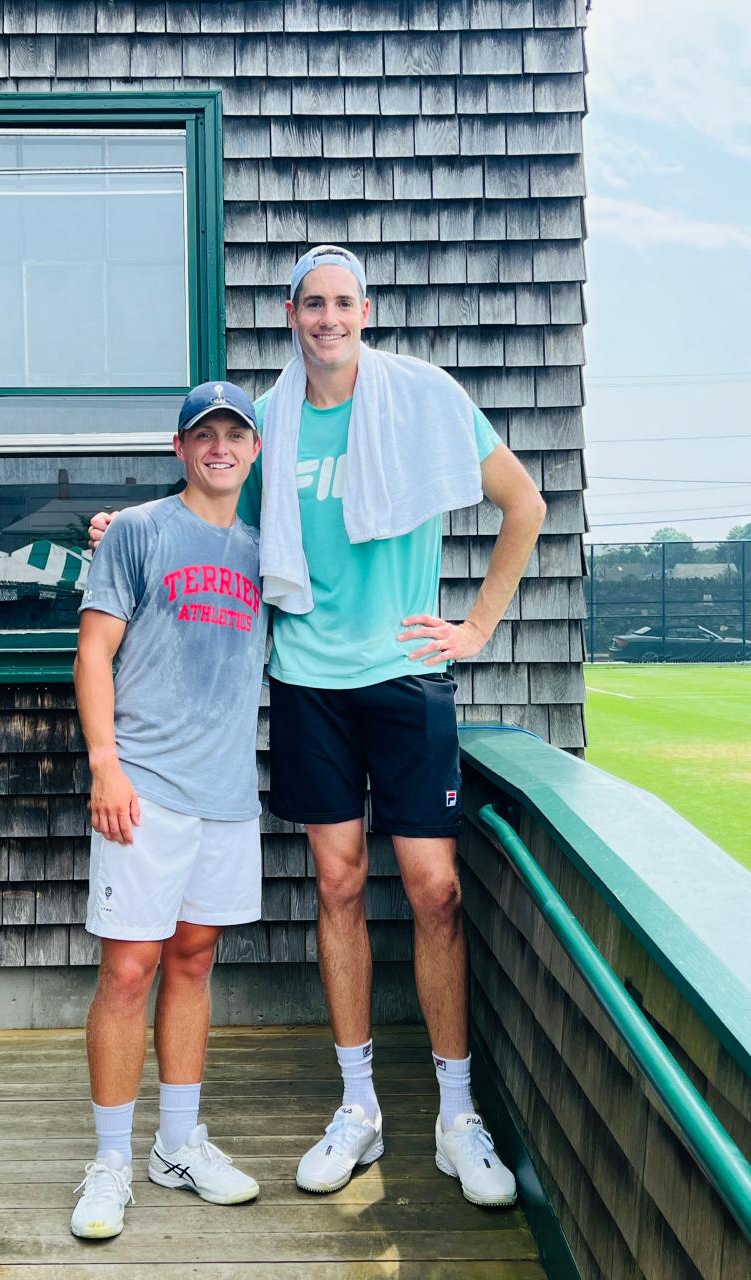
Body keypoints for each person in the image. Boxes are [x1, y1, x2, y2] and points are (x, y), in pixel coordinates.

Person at [90, 246, 546, 1208]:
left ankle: (457, 1117)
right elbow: (209, 514)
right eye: (313, 304)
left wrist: (477, 627)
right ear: (291, 314)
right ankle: (359, 1107)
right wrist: (120, 529)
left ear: (365, 311)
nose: (329, 319)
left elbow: (526, 505)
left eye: (344, 302)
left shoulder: (425, 398)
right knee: (336, 885)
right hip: (307, 683)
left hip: (408, 677)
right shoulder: (268, 422)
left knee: (434, 890)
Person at [71, 381, 266, 1241]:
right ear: (180, 448)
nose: (220, 446)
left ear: (253, 451)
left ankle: (178, 1143)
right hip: (143, 788)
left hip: (226, 795)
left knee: (193, 961)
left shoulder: (267, 552)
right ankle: (111, 1158)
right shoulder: (140, 531)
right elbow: (93, 652)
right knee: (128, 971)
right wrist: (106, 767)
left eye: (235, 434)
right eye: (204, 434)